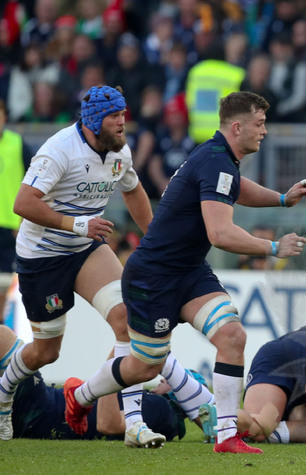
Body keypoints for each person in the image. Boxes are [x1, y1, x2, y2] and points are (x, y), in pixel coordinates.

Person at [65, 91, 306, 455]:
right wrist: (273, 248)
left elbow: (236, 188)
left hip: (189, 272)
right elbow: (220, 234)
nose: (264, 131)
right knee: (144, 367)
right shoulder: (216, 162)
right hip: (153, 278)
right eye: (259, 124)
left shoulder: (219, 158)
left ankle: (227, 436)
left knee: (232, 335)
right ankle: (80, 394)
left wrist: (279, 199)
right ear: (238, 126)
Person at [0, 85, 193, 448]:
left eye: (124, 114)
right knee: (46, 352)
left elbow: (133, 189)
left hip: (87, 248)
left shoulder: (120, 151)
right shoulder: (59, 150)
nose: (123, 122)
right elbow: (23, 203)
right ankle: (4, 390)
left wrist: (154, 240)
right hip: (43, 256)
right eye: (114, 116)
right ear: (92, 121)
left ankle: (132, 422)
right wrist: (78, 224)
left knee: (129, 319)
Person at [0, 325, 209, 442]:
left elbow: (108, 424)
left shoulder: (161, 409)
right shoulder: (155, 404)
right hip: (43, 411)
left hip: (44, 414)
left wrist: (117, 360)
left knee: (4, 338)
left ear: (178, 395)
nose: (164, 378)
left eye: (173, 381)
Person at [0, 98, 32, 324]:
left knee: (3, 282)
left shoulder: (17, 144)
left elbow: (34, 182)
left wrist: (24, 221)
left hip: (10, 224)